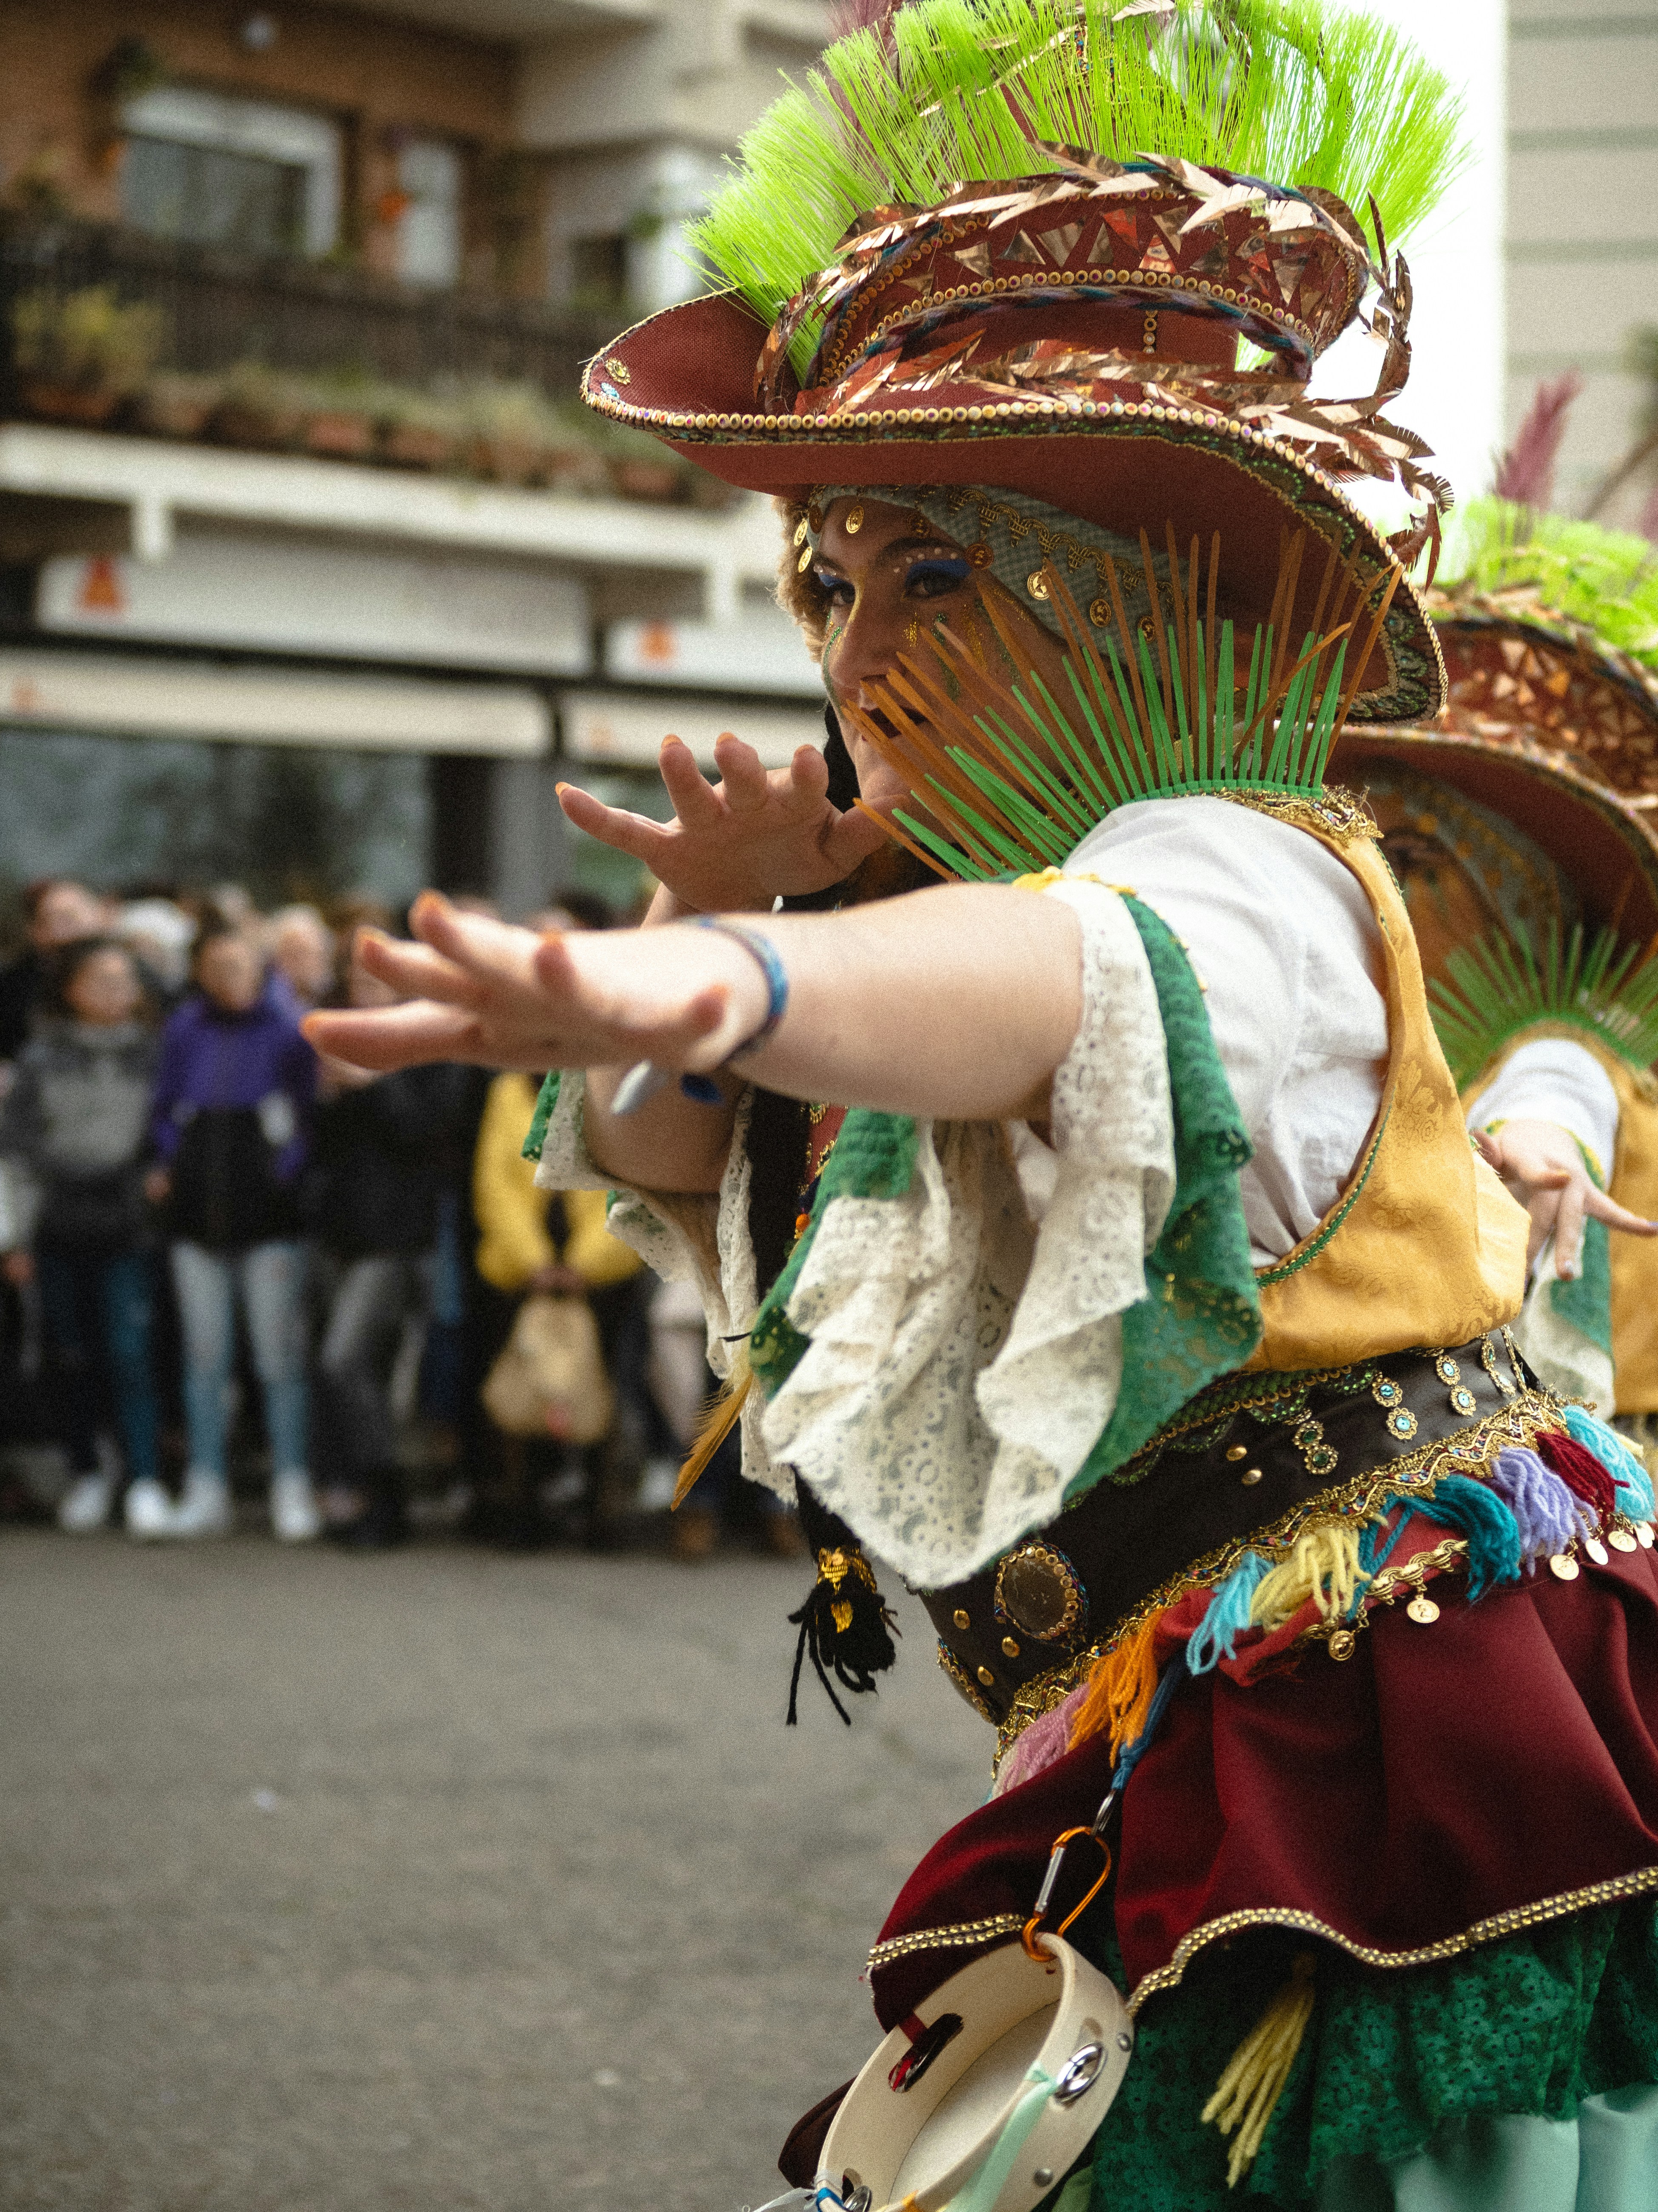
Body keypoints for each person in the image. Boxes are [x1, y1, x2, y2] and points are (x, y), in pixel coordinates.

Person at [307, 3, 1658, 2200]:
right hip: (1192, 1690)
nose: (854, 649)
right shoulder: (957, 922)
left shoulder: (1238, 866)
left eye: (939, 568)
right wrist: (696, 990)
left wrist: (730, 968)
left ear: (1154, 596)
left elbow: (1059, 978)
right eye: (830, 580)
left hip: (1396, 1703)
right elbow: (716, 1176)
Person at [1344, 482, 1658, 1435]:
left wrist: (1541, 1147)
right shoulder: (1383, 1078)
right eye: (1347, 851)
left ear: (1521, 903)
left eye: (1410, 862)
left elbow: (1559, 1094)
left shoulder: (1560, 1042)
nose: (1366, 895)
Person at [149, 925, 320, 1541]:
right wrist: (171, 1162)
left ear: (261, 969)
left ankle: (291, 1484)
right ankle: (207, 1484)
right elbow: (164, 1107)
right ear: (200, 972)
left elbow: (306, 1119)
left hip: (269, 1223)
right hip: (196, 1221)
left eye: (241, 966)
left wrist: (281, 1176)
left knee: (278, 1362)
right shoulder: (184, 1030)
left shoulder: (288, 1029)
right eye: (217, 967)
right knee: (204, 1362)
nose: (230, 978)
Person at [307, 930, 475, 1546]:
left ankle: (387, 1492)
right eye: (357, 982)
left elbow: (428, 1133)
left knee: (344, 1359)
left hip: (399, 1237)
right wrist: (329, 1098)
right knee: (359, 1370)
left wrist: (372, 1083)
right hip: (339, 1230)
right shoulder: (343, 1043)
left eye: (377, 980)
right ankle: (362, 1494)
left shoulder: (433, 1045)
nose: (364, 992)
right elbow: (320, 1150)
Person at [0, 937, 169, 1535]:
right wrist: (16, 1240)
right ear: (71, 990)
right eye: (100, 979)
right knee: (71, 1355)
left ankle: (145, 1478)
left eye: (125, 980)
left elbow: (166, 1138)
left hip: (126, 1224)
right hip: (55, 1222)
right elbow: (16, 1151)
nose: (115, 991)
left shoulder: (153, 1055)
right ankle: (89, 1470)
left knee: (129, 1352)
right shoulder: (43, 1058)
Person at [468, 1065, 646, 1547]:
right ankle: (522, 1505)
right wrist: (535, 1264)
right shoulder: (506, 1091)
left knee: (598, 1384)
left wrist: (585, 1265)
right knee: (522, 1385)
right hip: (522, 1270)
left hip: (600, 1271)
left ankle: (599, 1508)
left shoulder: (610, 1087)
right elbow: (494, 1184)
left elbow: (628, 1184)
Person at [0, 879, 112, 1065]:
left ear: (104, 916)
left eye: (73, 917)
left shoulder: (134, 971)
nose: (69, 930)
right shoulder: (13, 987)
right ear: (37, 932)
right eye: (56, 920)